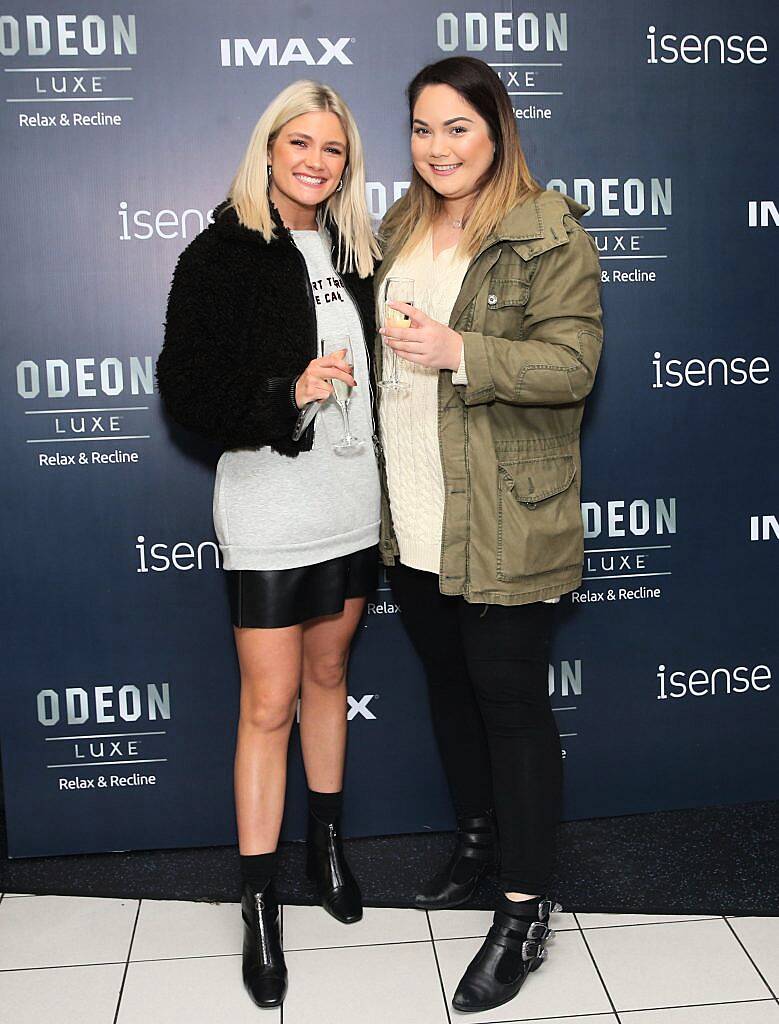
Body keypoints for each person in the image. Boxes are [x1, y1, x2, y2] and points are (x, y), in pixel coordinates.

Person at [376, 56, 603, 1013]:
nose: (438, 148)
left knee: (509, 705)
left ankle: (523, 907)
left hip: (505, 515)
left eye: (457, 128)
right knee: (449, 690)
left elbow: (572, 365)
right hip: (418, 510)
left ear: (496, 128)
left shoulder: (547, 231)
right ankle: (477, 845)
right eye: (423, 130)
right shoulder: (398, 221)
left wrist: (462, 350)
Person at [156, 79, 381, 1009]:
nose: (315, 162)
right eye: (300, 143)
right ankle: (258, 904)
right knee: (268, 702)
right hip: (267, 505)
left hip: (351, 500)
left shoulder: (356, 250)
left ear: (345, 163)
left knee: (327, 680)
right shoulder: (220, 255)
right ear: (268, 148)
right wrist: (286, 393)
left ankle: (326, 852)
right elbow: (188, 395)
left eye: (331, 149)